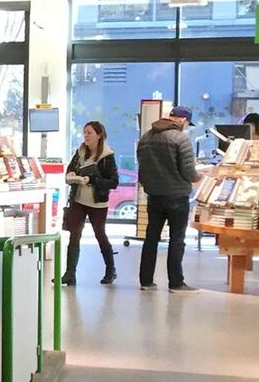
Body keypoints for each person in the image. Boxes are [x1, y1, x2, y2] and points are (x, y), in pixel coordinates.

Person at [136, 105, 201, 292]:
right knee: (177, 240)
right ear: (182, 120)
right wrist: (199, 178)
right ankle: (176, 283)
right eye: (187, 123)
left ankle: (146, 281)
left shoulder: (146, 137)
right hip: (177, 197)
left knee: (151, 239)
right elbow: (188, 172)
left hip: (154, 196)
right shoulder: (180, 138)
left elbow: (142, 168)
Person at [62, 121, 120, 286]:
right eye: (84, 132)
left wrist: (93, 179)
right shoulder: (80, 152)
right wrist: (72, 175)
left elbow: (114, 182)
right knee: (74, 235)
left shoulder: (107, 156)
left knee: (100, 234)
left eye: (89, 133)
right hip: (78, 200)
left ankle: (111, 270)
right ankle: (70, 273)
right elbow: (69, 170)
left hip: (97, 203)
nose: (86, 136)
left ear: (99, 135)